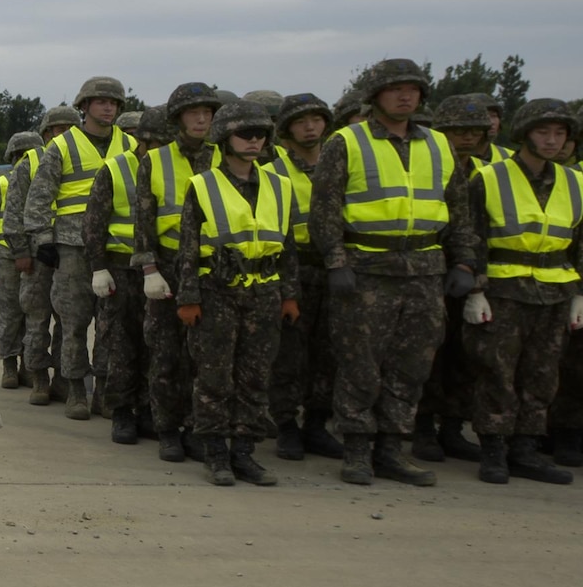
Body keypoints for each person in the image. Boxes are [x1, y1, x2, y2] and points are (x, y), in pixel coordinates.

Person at [310, 59, 479, 487]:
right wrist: (335, 261)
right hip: (367, 268)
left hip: (424, 270)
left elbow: (459, 210)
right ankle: (356, 450)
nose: (406, 96)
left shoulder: (438, 144)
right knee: (360, 364)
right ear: (374, 96)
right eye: (395, 89)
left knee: (412, 365)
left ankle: (390, 450)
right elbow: (324, 209)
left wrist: (463, 261)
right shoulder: (346, 142)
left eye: (413, 89)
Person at [174, 99, 298, 486]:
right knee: (214, 377)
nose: (253, 140)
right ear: (225, 139)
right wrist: (188, 298)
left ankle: (244, 452)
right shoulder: (203, 185)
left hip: (264, 294)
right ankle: (215, 453)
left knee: (255, 377)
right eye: (245, 134)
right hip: (217, 293)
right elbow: (188, 249)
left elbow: (288, 246)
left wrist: (289, 294)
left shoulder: (280, 186)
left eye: (260, 134)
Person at [461, 101, 583, 485]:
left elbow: (578, 243)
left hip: (555, 293)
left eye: (560, 134)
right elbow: (472, 236)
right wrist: (475, 290)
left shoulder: (575, 182)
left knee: (542, 374)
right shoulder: (490, 178)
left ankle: (526, 449)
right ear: (525, 133)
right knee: (496, 372)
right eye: (544, 132)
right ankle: (494, 448)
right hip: (503, 292)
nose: (552, 141)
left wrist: (580, 293)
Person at [22, 77, 133, 420]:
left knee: (110, 326)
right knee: (73, 323)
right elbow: (39, 197)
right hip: (72, 247)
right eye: (100, 101)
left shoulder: (130, 144)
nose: (108, 107)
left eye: (113, 102)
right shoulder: (63, 145)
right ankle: (74, 390)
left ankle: (101, 391)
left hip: (115, 247)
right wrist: (43, 241)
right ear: (84, 106)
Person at [132, 83, 221, 463]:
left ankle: (198, 428)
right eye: (193, 112)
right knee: (166, 355)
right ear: (178, 118)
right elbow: (144, 219)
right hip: (167, 268)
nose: (201, 119)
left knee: (206, 359)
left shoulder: (224, 156)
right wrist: (149, 267)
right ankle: (167, 429)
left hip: (213, 270)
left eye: (207, 112)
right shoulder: (156, 160)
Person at [413, 93, 501, 462]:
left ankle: (452, 427)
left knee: (467, 357)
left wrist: (475, 276)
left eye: (473, 131)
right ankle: (422, 428)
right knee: (426, 353)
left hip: (477, 277)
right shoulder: (426, 168)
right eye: (456, 131)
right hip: (429, 270)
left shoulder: (492, 175)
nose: (466, 138)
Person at [268, 92, 343, 460]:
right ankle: (285, 425)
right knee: (288, 353)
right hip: (291, 268)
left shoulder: (341, 161)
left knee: (329, 351)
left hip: (335, 268)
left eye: (315, 119)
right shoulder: (274, 168)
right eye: (300, 121)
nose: (310, 126)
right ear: (286, 129)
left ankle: (317, 423)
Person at [83, 106, 158, 443]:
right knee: (122, 343)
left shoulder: (172, 168)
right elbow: (94, 223)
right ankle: (122, 412)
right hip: (122, 267)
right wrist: (98, 267)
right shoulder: (116, 168)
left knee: (157, 345)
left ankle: (149, 410)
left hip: (160, 269)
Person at [6, 104, 80, 406]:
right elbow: (13, 212)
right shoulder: (30, 162)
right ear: (47, 132)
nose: (64, 134)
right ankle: (38, 377)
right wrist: (21, 252)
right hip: (37, 255)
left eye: (70, 129)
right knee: (37, 317)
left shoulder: (79, 160)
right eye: (59, 129)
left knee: (67, 319)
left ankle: (64, 379)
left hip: (68, 250)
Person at [0, 131, 41, 389]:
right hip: (4, 257)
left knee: (32, 315)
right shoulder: (1, 185)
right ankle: (8, 365)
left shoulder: (42, 184)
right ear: (15, 157)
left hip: (35, 256)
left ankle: (28, 365)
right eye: (23, 156)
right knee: (9, 314)